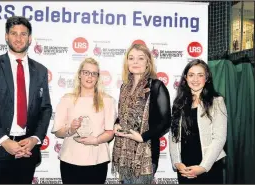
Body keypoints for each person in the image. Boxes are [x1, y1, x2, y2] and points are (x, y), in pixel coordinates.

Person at [0, 16, 52, 184]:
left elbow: (45, 108)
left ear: (30, 38)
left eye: (23, 34)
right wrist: (4, 141)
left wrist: (35, 139)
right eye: (14, 33)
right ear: (6, 36)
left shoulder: (41, 70)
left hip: (26, 152)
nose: (18, 38)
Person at [112, 44, 171, 184]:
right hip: (123, 156)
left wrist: (142, 137)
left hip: (145, 155)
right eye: (131, 58)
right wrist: (116, 124)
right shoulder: (124, 87)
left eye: (140, 58)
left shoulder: (156, 86)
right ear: (127, 63)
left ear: (148, 62)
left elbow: (166, 122)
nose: (135, 62)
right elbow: (122, 115)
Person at [51, 57, 117, 184]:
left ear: (98, 77)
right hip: (69, 160)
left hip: (97, 160)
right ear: (80, 74)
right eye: (86, 72)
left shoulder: (108, 101)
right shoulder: (67, 99)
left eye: (94, 73)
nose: (90, 76)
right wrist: (71, 129)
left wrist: (96, 140)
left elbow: (110, 132)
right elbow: (58, 131)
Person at [169, 59, 227, 184]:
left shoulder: (217, 101)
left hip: (209, 166)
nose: (195, 79)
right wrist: (177, 163)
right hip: (185, 167)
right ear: (185, 78)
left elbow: (219, 138)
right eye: (191, 75)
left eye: (200, 75)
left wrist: (203, 167)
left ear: (206, 78)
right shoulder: (178, 103)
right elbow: (174, 135)